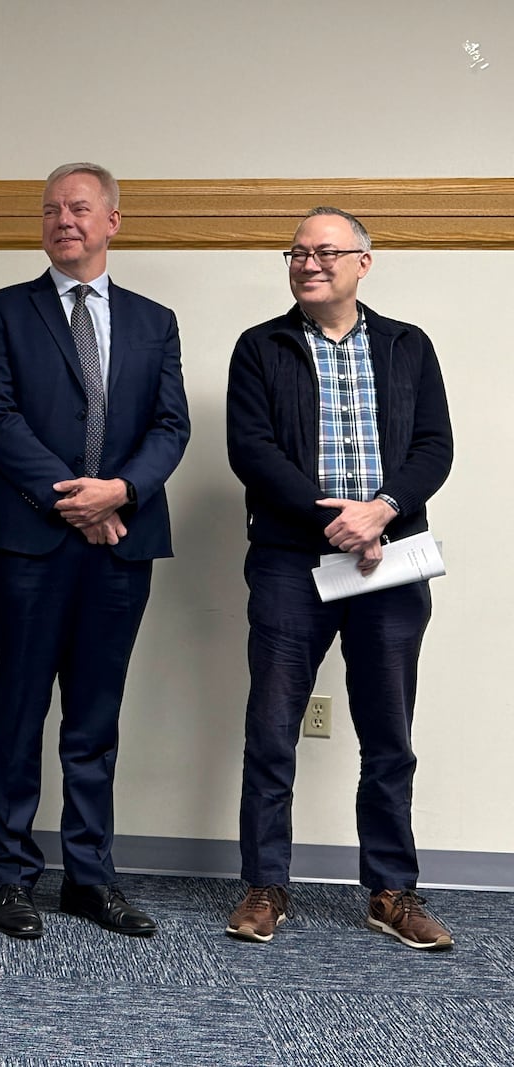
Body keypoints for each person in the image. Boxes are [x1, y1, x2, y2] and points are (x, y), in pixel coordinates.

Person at [0, 162, 189, 940]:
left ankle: (90, 877)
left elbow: (171, 426)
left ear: (112, 221)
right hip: (31, 542)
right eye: (53, 208)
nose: (65, 219)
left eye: (81, 208)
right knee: (20, 710)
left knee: (95, 718)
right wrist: (77, 498)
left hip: (123, 544)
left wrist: (118, 493)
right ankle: (14, 877)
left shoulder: (154, 319)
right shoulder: (3, 311)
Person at [224, 207, 454, 949]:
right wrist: (337, 521)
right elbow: (251, 450)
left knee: (389, 732)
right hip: (293, 561)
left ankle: (392, 890)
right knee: (272, 728)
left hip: (389, 562)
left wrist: (381, 511)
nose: (308, 262)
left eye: (325, 251)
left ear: (364, 262)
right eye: (296, 251)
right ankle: (264, 885)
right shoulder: (260, 347)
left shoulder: (407, 346)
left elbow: (434, 445)